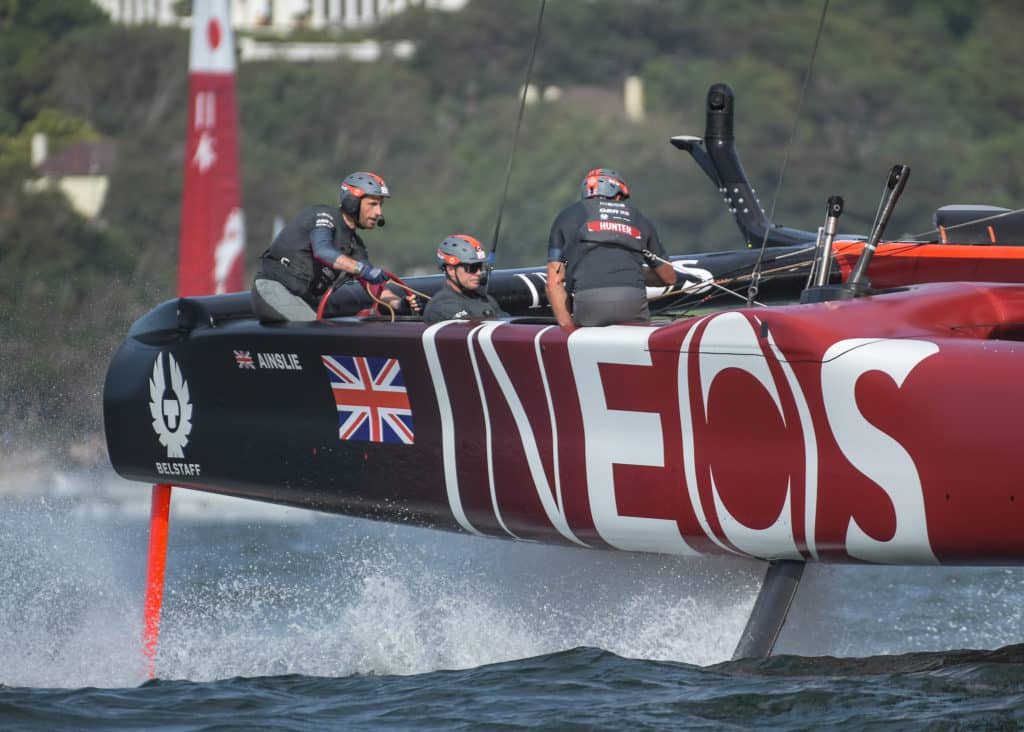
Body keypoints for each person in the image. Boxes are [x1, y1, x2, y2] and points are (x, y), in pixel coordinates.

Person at [251, 171, 414, 322]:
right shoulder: (323, 215)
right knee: (318, 334)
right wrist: (362, 269)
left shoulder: (356, 245)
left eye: (380, 205)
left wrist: (400, 304)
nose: (379, 212)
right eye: (372, 204)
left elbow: (373, 286)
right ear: (352, 202)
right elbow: (323, 251)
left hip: (302, 300)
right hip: (274, 288)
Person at [545, 167, 677, 329]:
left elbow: (554, 281)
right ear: (618, 194)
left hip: (589, 303)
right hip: (632, 301)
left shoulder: (565, 216)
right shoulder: (638, 217)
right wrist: (629, 271)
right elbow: (669, 277)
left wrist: (568, 329)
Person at [422, 234, 509, 323]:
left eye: (480, 266)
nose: (478, 273)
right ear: (451, 270)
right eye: (472, 268)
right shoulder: (442, 306)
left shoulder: (485, 299)